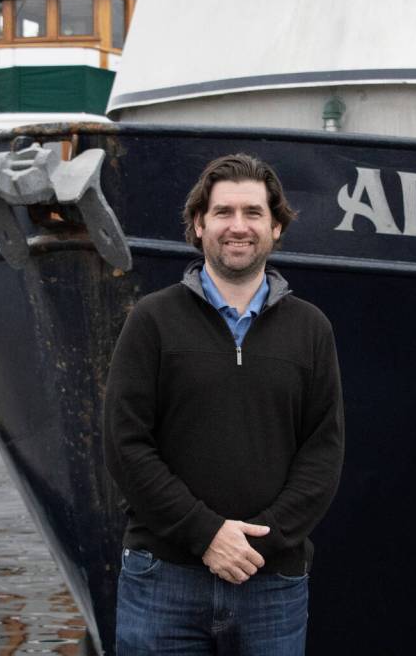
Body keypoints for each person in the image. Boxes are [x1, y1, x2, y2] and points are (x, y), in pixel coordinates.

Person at [104, 153, 345, 655]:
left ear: (276, 227)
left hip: (271, 583)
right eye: (223, 212)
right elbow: (125, 445)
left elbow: (323, 453)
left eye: (254, 213)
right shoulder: (151, 320)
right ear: (199, 224)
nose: (239, 227)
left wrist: (257, 544)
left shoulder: (311, 329)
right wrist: (207, 534)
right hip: (163, 581)